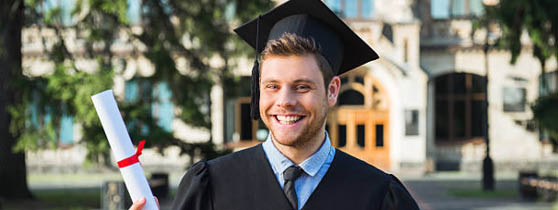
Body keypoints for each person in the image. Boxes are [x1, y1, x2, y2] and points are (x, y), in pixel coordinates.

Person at [130, 0, 419, 209]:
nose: (285, 101)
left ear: (332, 91)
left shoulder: (379, 195)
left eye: (302, 87)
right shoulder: (211, 185)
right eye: (272, 86)